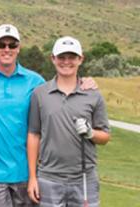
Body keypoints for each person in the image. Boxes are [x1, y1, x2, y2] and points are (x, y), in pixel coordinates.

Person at [0, 25, 98, 207]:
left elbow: (60, 89)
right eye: (2, 44)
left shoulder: (35, 81)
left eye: (12, 45)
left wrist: (84, 81)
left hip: (27, 173)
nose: (7, 49)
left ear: (19, 47)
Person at [27, 36, 110, 207]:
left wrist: (90, 133)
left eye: (72, 57)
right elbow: (34, 135)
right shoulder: (40, 94)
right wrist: (33, 178)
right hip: (49, 178)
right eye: (61, 57)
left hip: (84, 179)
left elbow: (105, 137)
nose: (66, 62)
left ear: (81, 59)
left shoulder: (93, 95)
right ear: (53, 59)